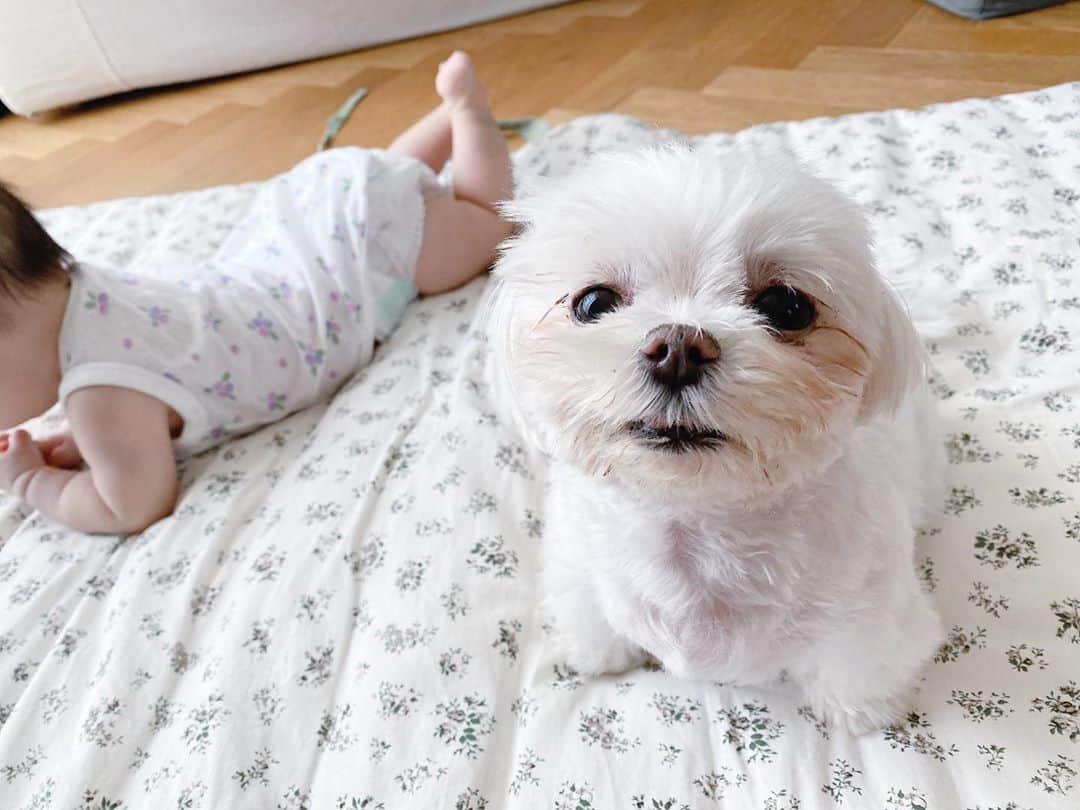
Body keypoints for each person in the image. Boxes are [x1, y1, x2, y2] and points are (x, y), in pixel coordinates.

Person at [0, 51, 512, 534]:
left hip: (354, 275)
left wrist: (33, 481)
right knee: (381, 182)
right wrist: (81, 444)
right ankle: (447, 114)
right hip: (304, 221)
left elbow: (129, 503)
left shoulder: (100, 398)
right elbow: (146, 399)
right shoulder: (84, 289)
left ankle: (470, 115)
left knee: (485, 224)